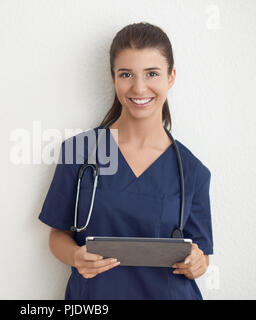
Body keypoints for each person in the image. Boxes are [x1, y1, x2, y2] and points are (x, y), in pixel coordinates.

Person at [38, 22, 213, 300]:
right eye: (126, 74)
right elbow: (57, 235)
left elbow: (200, 258)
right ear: (113, 78)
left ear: (171, 77)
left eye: (152, 73)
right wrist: (75, 256)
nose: (139, 87)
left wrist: (198, 264)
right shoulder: (80, 151)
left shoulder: (192, 171)